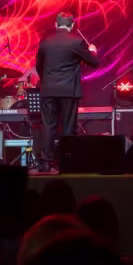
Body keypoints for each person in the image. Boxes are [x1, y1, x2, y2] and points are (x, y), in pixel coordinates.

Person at [34, 12, 99, 165]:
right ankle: (66, 162)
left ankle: (46, 162)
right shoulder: (76, 42)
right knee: (68, 127)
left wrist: (46, 81)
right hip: (69, 91)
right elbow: (94, 62)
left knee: (48, 126)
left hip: (48, 90)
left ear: (56, 25)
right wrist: (93, 51)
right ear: (72, 25)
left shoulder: (45, 41)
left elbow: (39, 66)